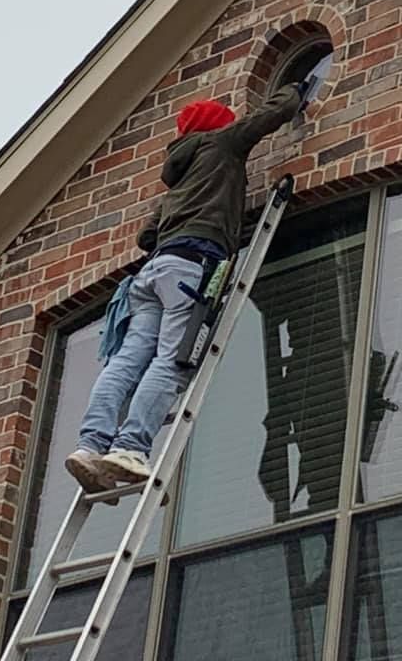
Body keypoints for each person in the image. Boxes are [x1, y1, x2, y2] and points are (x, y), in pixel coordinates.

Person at [65, 82, 305, 493]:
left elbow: (146, 235)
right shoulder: (221, 142)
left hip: (152, 275)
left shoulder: (177, 179)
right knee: (173, 361)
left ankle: (91, 446)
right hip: (191, 270)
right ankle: (130, 447)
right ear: (215, 125)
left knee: (126, 363)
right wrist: (297, 88)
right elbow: (270, 115)